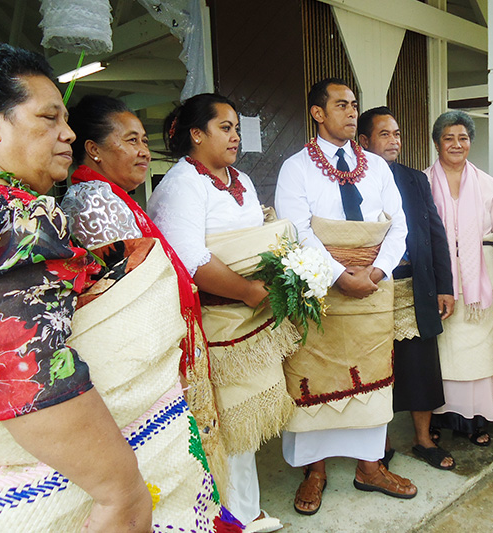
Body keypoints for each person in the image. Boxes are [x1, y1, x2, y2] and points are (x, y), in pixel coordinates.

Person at [0, 43, 236, 532]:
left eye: (65, 118)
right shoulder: (6, 214)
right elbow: (16, 365)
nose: (68, 132)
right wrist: (120, 491)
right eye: (49, 118)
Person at [59, 94, 226, 491]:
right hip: (134, 358)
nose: (144, 152)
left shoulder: (111, 196)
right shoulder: (94, 200)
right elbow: (130, 295)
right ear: (94, 150)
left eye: (144, 141)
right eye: (131, 140)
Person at [148, 93, 297, 533]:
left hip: (251, 313)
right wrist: (247, 290)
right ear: (197, 134)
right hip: (215, 320)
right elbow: (189, 259)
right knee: (225, 419)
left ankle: (246, 510)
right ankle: (232, 516)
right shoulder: (181, 184)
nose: (235, 137)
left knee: (246, 415)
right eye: (224, 128)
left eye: (235, 128)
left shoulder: (241, 179)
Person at [275, 78, 415, 516]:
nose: (352, 112)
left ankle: (370, 467)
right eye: (341, 105)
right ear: (318, 113)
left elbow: (399, 224)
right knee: (314, 375)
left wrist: (377, 270)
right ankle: (314, 471)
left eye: (354, 104)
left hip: (374, 285)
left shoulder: (377, 167)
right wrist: (338, 275)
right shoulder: (295, 167)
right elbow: (295, 229)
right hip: (319, 287)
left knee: (373, 374)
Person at [357, 106, 456, 470]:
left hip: (415, 285)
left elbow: (435, 233)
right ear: (363, 141)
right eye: (384, 134)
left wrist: (444, 285)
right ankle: (378, 445)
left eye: (397, 134)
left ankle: (423, 439)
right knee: (376, 367)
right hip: (371, 288)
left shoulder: (415, 180)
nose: (394, 141)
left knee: (420, 365)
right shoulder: (352, 181)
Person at [423, 110, 493, 448]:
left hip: (481, 275)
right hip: (439, 275)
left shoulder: (489, 184)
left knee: (478, 347)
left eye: (463, 138)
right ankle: (438, 418)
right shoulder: (423, 181)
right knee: (442, 350)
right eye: (449, 138)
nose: (457, 144)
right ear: (436, 144)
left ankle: (474, 419)